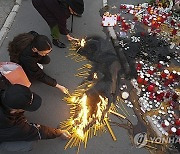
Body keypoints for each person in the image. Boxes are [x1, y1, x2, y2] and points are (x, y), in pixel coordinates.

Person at [0, 82, 71, 151]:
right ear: (13, 111)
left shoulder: (3, 83)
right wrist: (59, 132)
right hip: (3, 134)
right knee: (30, 144)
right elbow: (36, 131)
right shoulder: (12, 127)